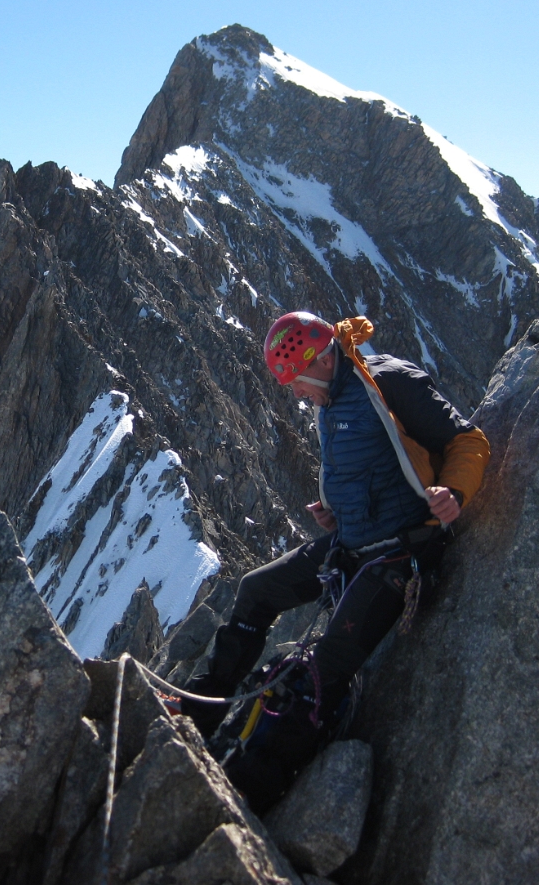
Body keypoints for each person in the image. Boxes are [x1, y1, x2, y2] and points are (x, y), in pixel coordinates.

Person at [180, 312, 490, 813]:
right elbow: (369, 466)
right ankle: (195, 713)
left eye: (298, 384)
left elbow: (467, 440)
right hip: (350, 545)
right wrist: (335, 513)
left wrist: (453, 492)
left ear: (323, 359)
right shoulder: (333, 396)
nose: (298, 396)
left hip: (399, 554)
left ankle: (248, 793)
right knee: (257, 592)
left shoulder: (388, 382)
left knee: (319, 675)